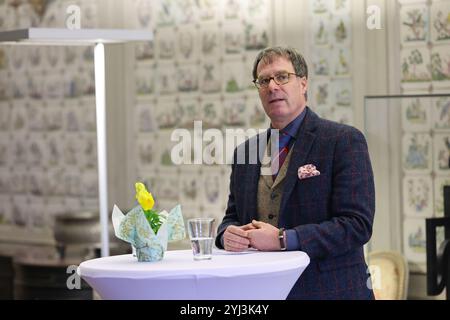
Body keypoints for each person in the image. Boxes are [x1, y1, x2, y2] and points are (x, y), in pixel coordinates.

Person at [215, 46, 375, 300]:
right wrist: (227, 235)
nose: (272, 87)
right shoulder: (245, 151)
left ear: (303, 83)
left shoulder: (343, 140)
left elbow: (357, 226)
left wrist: (282, 239)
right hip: (260, 293)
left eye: (282, 77)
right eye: (264, 80)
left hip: (331, 292)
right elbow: (232, 216)